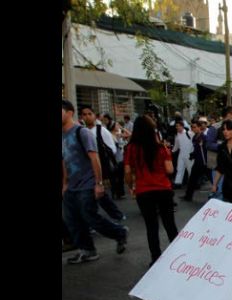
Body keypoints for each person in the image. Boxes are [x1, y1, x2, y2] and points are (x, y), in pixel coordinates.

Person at [62, 99, 129, 264]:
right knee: (72, 220)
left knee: (90, 217)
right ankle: (87, 250)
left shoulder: (82, 132)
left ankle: (119, 233)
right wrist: (64, 183)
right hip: (71, 186)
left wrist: (98, 183)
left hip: (87, 183)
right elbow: (63, 161)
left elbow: (94, 158)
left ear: (69, 112)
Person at [123, 115, 179, 266]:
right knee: (169, 223)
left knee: (151, 225)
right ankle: (179, 255)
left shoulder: (130, 148)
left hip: (143, 191)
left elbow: (127, 171)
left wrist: (131, 187)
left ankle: (156, 257)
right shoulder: (161, 148)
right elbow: (169, 169)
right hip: (163, 189)